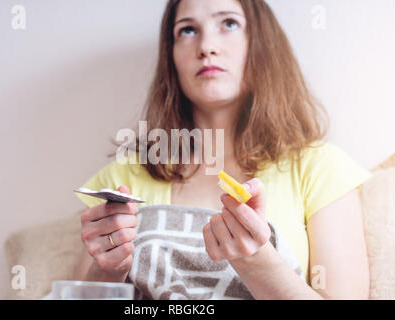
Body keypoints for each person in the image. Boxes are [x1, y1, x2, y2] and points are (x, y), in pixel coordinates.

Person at [72, 0, 372, 299]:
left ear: (261, 44)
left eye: (228, 24)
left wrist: (256, 261)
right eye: (187, 30)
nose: (206, 46)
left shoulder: (320, 167)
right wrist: (107, 271)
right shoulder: (120, 179)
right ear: (171, 59)